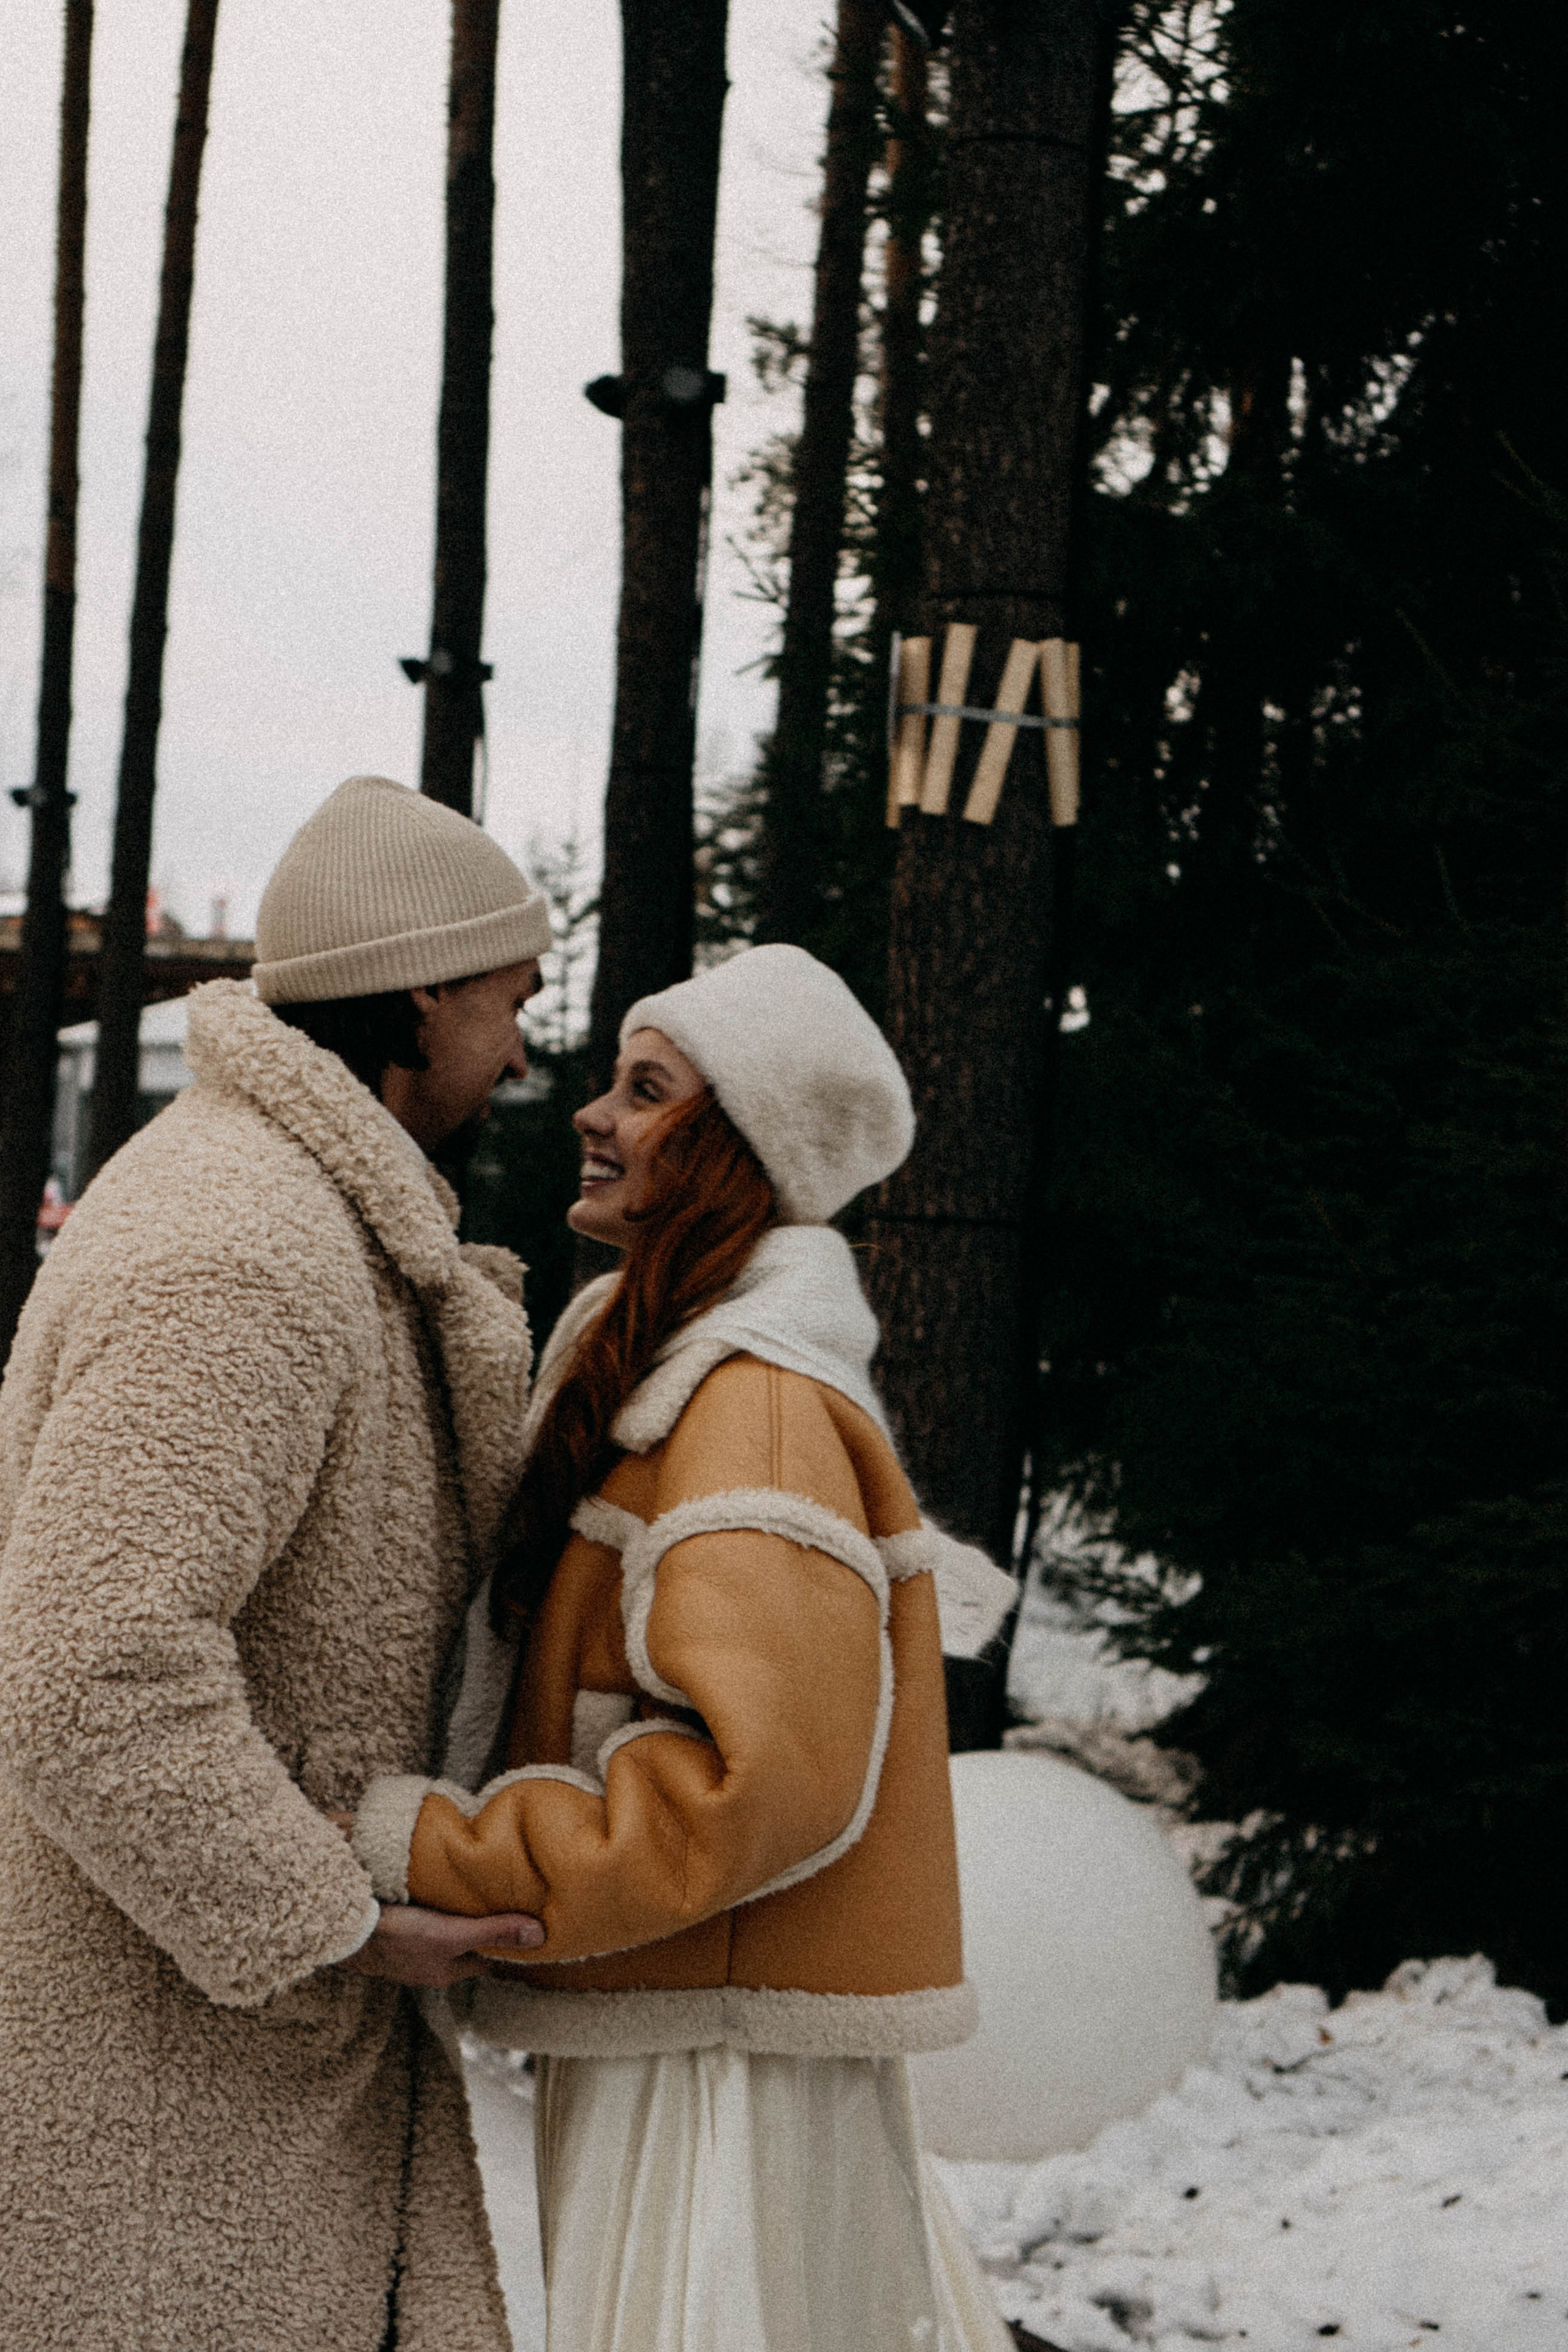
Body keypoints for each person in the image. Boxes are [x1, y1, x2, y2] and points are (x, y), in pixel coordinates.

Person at [350, 942, 1019, 2352]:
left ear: (734, 1146)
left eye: (646, 1091)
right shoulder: (665, 1367)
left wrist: (436, 1849)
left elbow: (758, 1783)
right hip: (684, 2018)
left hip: (719, 2062)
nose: (594, 1113)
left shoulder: (750, 1411)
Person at [0, 775, 549, 2351]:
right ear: (427, 985)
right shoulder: (244, 1252)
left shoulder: (290, 1214)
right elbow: (89, 1672)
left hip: (231, 2070)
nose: (520, 1048)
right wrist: (332, 1918)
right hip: (174, 2112)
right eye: (511, 998)